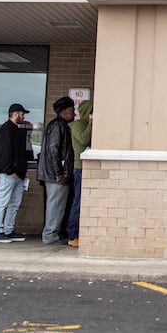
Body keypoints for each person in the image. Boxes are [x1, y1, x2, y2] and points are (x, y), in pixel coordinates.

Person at [0, 103, 31, 243]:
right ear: (15, 114)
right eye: (21, 114)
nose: (23, 116)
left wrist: (21, 171)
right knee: (2, 202)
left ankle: (8, 229)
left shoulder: (15, 129)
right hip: (8, 173)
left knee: (14, 203)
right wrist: (9, 170)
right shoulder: (6, 129)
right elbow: (5, 151)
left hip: (18, 173)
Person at [39, 96, 75, 245]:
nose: (74, 114)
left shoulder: (57, 125)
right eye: (72, 111)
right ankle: (50, 235)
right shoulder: (58, 126)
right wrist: (58, 172)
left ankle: (53, 233)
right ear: (65, 111)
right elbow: (53, 150)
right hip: (55, 175)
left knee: (57, 204)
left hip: (53, 173)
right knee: (55, 205)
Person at [66, 99, 92, 247]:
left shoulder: (86, 125)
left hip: (86, 167)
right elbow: (83, 139)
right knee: (78, 201)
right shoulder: (77, 125)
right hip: (79, 168)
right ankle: (72, 234)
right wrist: (91, 123)